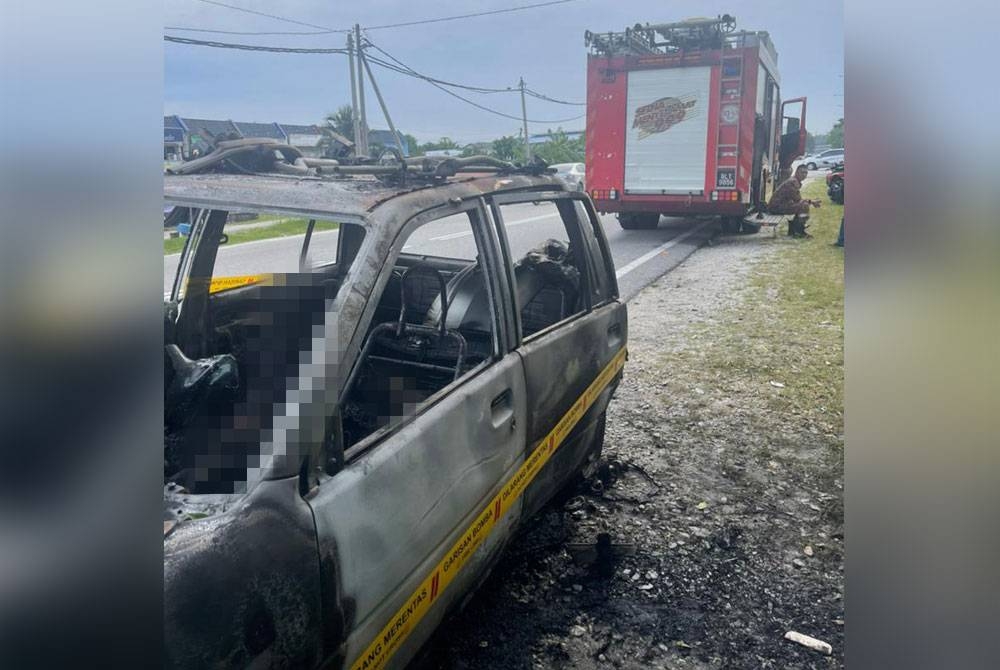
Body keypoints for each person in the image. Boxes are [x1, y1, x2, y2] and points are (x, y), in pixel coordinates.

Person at [768, 164, 821, 237]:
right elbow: (798, 199)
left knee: (802, 204)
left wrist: (810, 201)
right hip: (776, 207)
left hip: (779, 205)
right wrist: (811, 202)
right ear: (797, 172)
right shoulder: (793, 182)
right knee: (804, 206)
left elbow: (797, 199)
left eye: (806, 173)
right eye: (802, 172)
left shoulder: (794, 181)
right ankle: (799, 232)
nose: (804, 175)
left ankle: (794, 230)